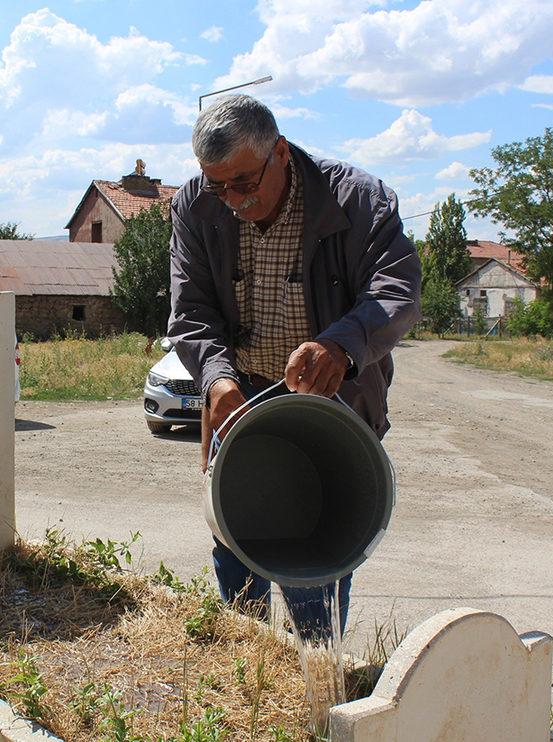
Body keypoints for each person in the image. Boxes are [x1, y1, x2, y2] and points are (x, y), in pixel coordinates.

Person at [167, 95, 421, 638]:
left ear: (280, 151)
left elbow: (397, 292)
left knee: (315, 557)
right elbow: (190, 312)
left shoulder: (358, 200)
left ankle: (316, 672)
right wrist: (217, 378)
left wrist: (342, 345)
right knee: (235, 544)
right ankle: (250, 665)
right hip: (240, 400)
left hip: (330, 405)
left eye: (243, 182)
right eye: (218, 186)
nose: (232, 200)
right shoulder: (195, 205)